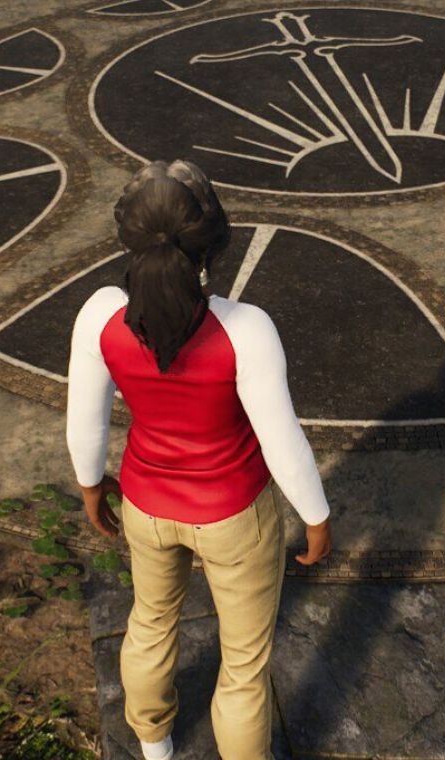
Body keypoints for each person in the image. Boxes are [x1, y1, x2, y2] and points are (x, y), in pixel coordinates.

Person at [66, 159, 332, 760]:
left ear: (126, 240)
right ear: (213, 244)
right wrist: (316, 516)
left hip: (145, 503)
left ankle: (154, 747)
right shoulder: (246, 328)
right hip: (235, 513)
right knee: (243, 663)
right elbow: (281, 439)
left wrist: (91, 486)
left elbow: (84, 419)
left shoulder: (99, 315)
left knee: (150, 623)